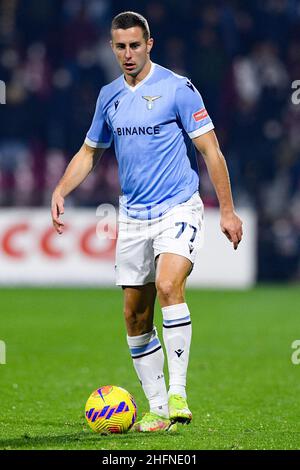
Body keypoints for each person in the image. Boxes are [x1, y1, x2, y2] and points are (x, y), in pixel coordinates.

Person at [51, 11, 243, 433]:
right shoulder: (108, 96)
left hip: (179, 207)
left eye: (135, 45)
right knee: (135, 317)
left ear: (149, 45)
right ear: (112, 48)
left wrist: (226, 210)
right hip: (134, 216)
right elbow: (90, 151)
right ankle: (157, 408)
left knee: (169, 285)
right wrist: (61, 189)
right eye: (120, 46)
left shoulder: (179, 89)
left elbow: (212, 152)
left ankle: (178, 393)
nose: (128, 54)